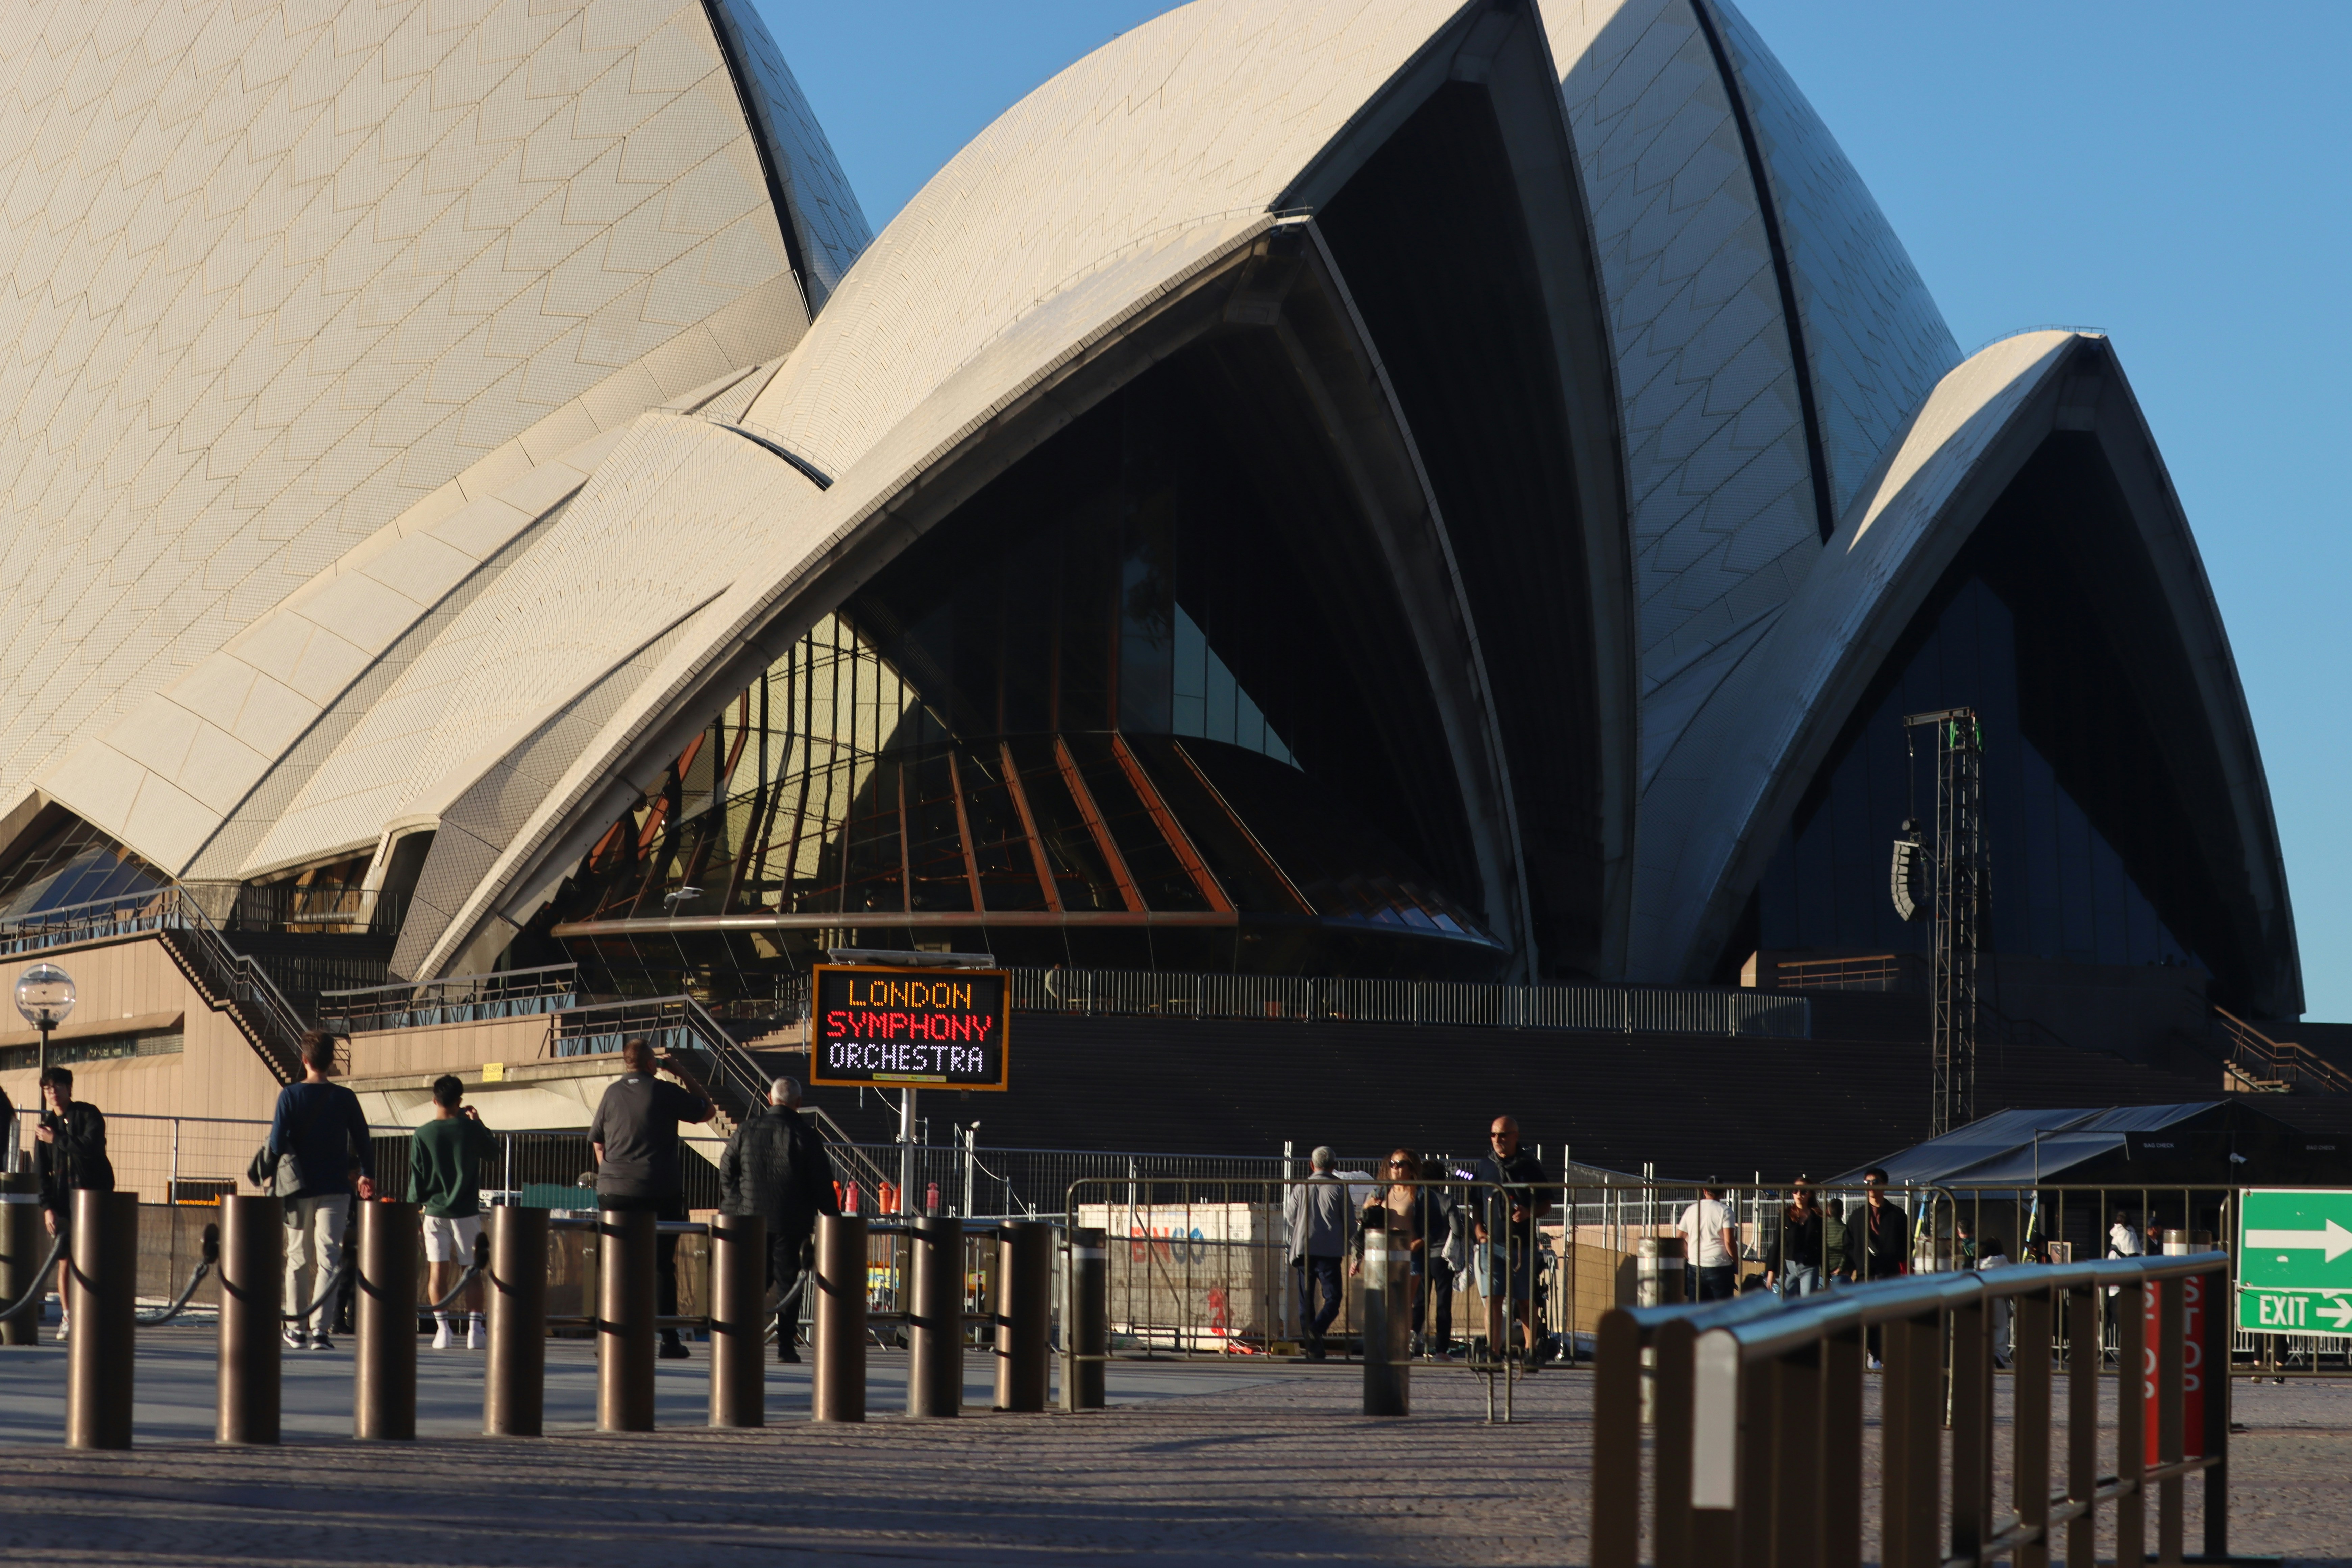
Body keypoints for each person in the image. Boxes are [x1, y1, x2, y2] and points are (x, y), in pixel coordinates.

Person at [589, 1036, 715, 1359]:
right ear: (651, 1065)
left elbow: (599, 1144)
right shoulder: (663, 1090)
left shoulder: (611, 1094)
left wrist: (611, 1174)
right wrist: (684, 1074)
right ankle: (669, 1338)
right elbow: (707, 1111)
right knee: (662, 1266)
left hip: (614, 1191)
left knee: (616, 1263)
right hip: (658, 1189)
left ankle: (609, 1337)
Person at [263, 1030, 376, 1350]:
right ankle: (321, 1332)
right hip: (337, 1188)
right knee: (329, 1257)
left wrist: (269, 1174)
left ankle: (296, 1329)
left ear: (305, 1059)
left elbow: (275, 1143)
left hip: (298, 1189)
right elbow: (363, 1138)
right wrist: (367, 1174)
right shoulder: (345, 1098)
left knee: (297, 1257)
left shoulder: (289, 1096)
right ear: (331, 1062)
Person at [718, 1074, 840, 1363]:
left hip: (750, 1221)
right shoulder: (806, 1136)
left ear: (770, 1099)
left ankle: (743, 1341)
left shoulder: (746, 1130)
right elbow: (822, 1184)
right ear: (798, 1103)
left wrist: (736, 1205)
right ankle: (786, 1345)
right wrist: (833, 1219)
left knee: (750, 1282)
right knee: (788, 1283)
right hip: (791, 1222)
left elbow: (727, 1172)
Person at [409, 1074, 495, 1350]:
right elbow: (493, 1152)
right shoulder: (470, 1130)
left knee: (437, 1273)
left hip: (434, 1213)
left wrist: (416, 1209)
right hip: (466, 1211)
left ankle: (442, 1329)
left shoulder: (422, 1134)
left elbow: (417, 1179)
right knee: (471, 1272)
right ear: (460, 1101)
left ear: (434, 1100)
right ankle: (475, 1331)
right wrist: (477, 1122)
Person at [34, 1067, 114, 1344]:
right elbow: (40, 1173)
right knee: (66, 1260)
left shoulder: (88, 1114)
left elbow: (92, 1147)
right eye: (48, 1089)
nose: (53, 1093)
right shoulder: (45, 1126)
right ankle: (68, 1315)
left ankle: (96, 1314)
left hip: (94, 1200)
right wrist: (47, 1208)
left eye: (58, 1087)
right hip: (62, 1203)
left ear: (70, 1088)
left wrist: (57, 1140)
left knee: (95, 1259)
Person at [1470, 1115, 1553, 1370]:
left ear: (1516, 1136)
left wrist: (1529, 1212)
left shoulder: (1529, 1166)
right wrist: (1477, 1229)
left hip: (1522, 1244)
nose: (1498, 1140)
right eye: (1494, 1135)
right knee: (1493, 1299)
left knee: (1525, 1300)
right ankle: (1493, 1353)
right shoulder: (1485, 1166)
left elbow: (1546, 1202)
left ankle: (1530, 1352)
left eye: (1503, 1135)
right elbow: (1475, 1201)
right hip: (1491, 1245)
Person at [1282, 1146, 1350, 1361]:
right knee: (1334, 1297)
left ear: (1312, 1165)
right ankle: (1317, 1330)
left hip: (1304, 1250)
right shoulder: (1340, 1188)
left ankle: (1313, 1346)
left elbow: (1290, 1216)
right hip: (1329, 1251)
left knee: (1306, 1299)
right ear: (1334, 1166)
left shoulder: (1302, 1187)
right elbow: (1349, 1222)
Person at [1765, 1177, 1827, 1300]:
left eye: (1804, 1191)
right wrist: (1771, 1271)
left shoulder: (1818, 1217)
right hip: (1789, 1266)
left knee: (1808, 1304)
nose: (1799, 1194)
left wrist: (1826, 1274)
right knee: (1787, 1304)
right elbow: (1777, 1243)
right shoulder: (1786, 1214)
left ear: (1810, 1194)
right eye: (1795, 1191)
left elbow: (1822, 1246)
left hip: (1810, 1266)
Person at [1676, 1180, 1739, 1301]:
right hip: (1720, 1265)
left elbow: (1679, 1238)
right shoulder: (1726, 1211)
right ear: (1723, 1193)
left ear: (1704, 1191)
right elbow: (1729, 1241)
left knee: (1698, 1309)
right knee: (1722, 1309)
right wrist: (1736, 1261)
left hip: (1695, 1265)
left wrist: (1690, 1256)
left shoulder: (1692, 1210)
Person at [1978, 1234, 2014, 1368]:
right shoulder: (2004, 1264)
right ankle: (1998, 1353)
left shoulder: (1978, 1264)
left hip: (1980, 1297)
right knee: (1999, 1328)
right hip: (1998, 1298)